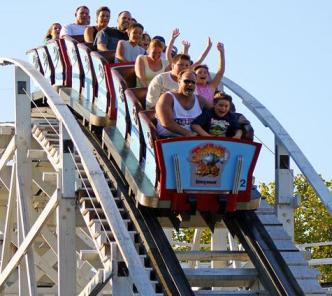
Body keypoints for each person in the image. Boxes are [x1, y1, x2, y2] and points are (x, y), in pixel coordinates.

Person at [155, 70, 210, 137]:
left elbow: (216, 112)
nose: (190, 84)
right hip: (166, 141)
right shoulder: (167, 97)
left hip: (193, 142)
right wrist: (189, 134)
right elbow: (167, 123)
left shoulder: (200, 100)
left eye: (193, 82)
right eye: (186, 81)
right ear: (179, 82)